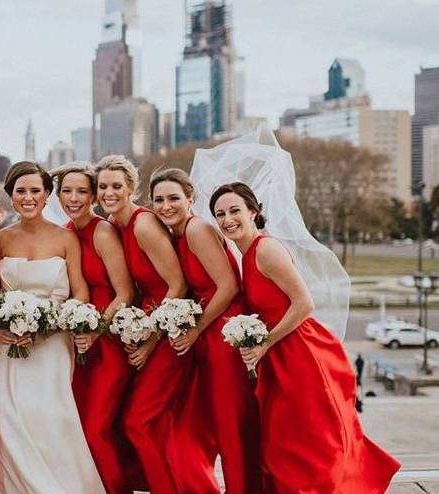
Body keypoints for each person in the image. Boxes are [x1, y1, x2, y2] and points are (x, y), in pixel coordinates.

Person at [210, 182, 400, 492]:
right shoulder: (245, 253)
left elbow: (304, 303)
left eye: (235, 210)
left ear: (253, 212)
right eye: (220, 214)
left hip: (299, 355)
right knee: (283, 444)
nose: (227, 219)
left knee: (305, 446)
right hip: (277, 357)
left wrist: (265, 342)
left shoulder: (266, 249)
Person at [0, 161, 106, 493]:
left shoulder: (66, 238)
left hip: (53, 344)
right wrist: (0, 327)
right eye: (20, 191)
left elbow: (80, 290)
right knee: (8, 415)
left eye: (35, 191)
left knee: (53, 417)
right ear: (10, 196)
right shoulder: (0, 240)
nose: (28, 198)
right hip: (11, 346)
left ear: (46, 195)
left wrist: (51, 326)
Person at [150, 168, 261, 494]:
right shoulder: (178, 233)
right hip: (208, 333)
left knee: (230, 426)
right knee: (203, 425)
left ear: (191, 199)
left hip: (222, 333)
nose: (166, 205)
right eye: (158, 200)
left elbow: (228, 287)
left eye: (174, 198)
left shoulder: (197, 229)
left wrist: (196, 330)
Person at [94, 155, 189, 493]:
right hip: (144, 329)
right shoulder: (112, 224)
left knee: (137, 422)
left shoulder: (143, 225)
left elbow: (178, 285)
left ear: (132, 188)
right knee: (135, 423)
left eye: (116, 186)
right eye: (103, 186)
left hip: (170, 337)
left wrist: (150, 340)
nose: (109, 192)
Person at [51, 162, 138, 494]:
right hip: (80, 345)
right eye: (67, 191)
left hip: (108, 343)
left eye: (82, 191)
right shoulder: (68, 232)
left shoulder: (102, 231)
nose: (74, 198)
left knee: (97, 427)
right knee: (79, 427)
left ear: (94, 196)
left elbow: (126, 293)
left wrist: (96, 330)